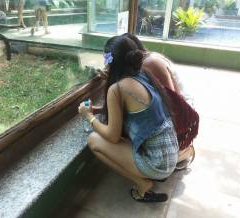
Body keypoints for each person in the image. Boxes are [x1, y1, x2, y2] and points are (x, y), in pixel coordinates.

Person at [78, 35, 179, 203]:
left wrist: (88, 116)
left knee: (94, 140)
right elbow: (134, 109)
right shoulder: (143, 74)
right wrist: (95, 110)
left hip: (158, 163)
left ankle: (142, 184)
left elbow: (112, 136)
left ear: (110, 61)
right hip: (170, 154)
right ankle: (150, 175)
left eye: (106, 58)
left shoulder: (117, 89)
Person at [121, 33, 195, 165]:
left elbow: (174, 99)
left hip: (182, 111)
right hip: (177, 107)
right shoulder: (144, 60)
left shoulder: (150, 63)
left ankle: (181, 152)